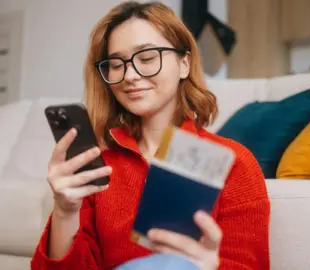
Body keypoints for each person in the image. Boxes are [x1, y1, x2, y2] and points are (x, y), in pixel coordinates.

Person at [31, 1, 270, 269]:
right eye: (116, 64)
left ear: (184, 63)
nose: (130, 75)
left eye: (146, 58)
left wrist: (209, 267)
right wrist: (64, 211)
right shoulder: (98, 168)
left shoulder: (235, 161)